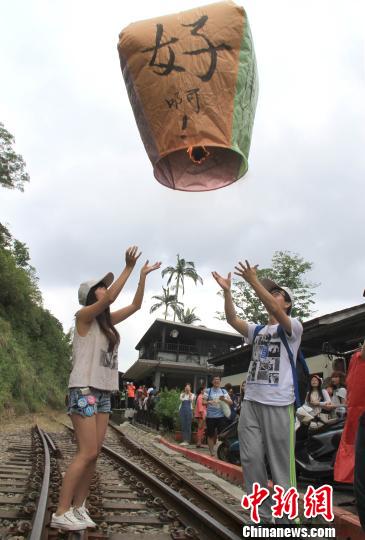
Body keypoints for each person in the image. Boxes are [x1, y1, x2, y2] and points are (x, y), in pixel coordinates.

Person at [50, 247, 161, 531]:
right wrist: (128, 268)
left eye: (104, 286)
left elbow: (135, 306)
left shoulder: (107, 323)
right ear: (91, 296)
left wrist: (143, 277)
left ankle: (79, 507)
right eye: (100, 287)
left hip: (102, 394)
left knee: (95, 453)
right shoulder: (83, 317)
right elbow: (111, 297)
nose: (105, 290)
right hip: (84, 390)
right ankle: (61, 511)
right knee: (86, 452)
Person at [213, 262, 302, 524]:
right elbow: (232, 320)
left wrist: (254, 282)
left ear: (287, 304)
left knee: (281, 466)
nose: (273, 297)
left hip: (278, 403)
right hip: (251, 402)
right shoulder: (258, 331)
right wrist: (228, 293)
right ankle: (262, 517)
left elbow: (273, 308)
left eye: (278, 293)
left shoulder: (293, 328)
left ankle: (287, 520)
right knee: (250, 459)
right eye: (271, 292)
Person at [203, 375, 232, 456]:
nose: (217, 381)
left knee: (222, 435)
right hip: (210, 417)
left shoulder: (223, 391)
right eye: (215, 380)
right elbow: (203, 402)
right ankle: (212, 452)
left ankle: (221, 451)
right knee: (210, 435)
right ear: (212, 382)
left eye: (218, 380)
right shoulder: (208, 391)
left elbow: (231, 402)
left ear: (220, 381)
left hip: (221, 417)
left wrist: (224, 399)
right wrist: (209, 402)